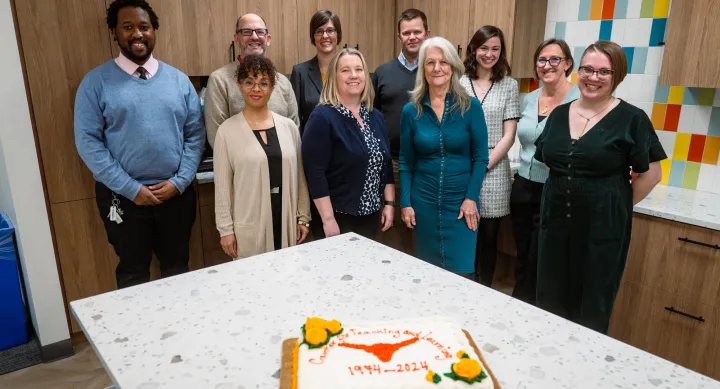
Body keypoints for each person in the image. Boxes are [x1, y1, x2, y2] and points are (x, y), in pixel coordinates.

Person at [534, 40, 665, 334]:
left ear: (617, 75)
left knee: (591, 305)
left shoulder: (632, 119)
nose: (594, 77)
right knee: (550, 301)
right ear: (577, 70)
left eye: (604, 72)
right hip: (554, 225)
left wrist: (614, 205)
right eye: (588, 69)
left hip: (602, 230)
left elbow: (651, 174)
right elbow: (551, 162)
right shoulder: (558, 114)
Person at [74, 0, 205, 288]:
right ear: (114, 32)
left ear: (154, 30)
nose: (137, 34)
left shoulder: (179, 81)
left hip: (176, 195)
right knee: (133, 274)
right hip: (122, 199)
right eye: (128, 27)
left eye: (144, 27)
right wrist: (132, 189)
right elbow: (88, 142)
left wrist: (180, 181)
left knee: (178, 269)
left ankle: (182, 331)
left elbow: (195, 135)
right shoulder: (95, 83)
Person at [399, 37, 489, 279]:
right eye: (430, 63)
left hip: (461, 206)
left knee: (462, 274)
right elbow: (406, 162)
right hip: (423, 203)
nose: (437, 68)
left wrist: (471, 199)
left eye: (443, 62)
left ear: (453, 67)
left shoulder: (470, 107)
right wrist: (406, 203)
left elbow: (481, 158)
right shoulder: (411, 111)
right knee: (428, 276)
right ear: (422, 69)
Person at [214, 55, 310, 259]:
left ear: (272, 88)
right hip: (248, 222)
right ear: (240, 85)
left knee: (287, 275)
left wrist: (303, 218)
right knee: (252, 282)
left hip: (285, 217)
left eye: (263, 83)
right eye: (249, 82)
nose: (256, 89)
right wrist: (226, 230)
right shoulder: (226, 131)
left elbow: (300, 177)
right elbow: (222, 188)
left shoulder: (289, 127)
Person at [511, 39, 579, 305]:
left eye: (555, 59)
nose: (547, 65)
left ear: (567, 64)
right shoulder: (530, 98)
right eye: (542, 60)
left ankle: (531, 308)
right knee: (522, 251)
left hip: (555, 189)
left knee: (541, 256)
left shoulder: (578, 100)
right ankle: (517, 304)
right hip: (523, 186)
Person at [302, 48, 394, 240]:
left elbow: (385, 164)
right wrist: (328, 220)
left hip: (371, 217)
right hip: (337, 217)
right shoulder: (322, 117)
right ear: (334, 76)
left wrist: (389, 204)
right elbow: (315, 173)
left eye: (359, 69)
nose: (354, 75)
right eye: (345, 70)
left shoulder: (375, 116)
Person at [459, 26, 520, 286]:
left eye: (495, 49)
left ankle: (485, 291)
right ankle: (465, 285)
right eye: (484, 48)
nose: (489, 54)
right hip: (462, 166)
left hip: (493, 172)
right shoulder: (459, 83)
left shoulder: (509, 85)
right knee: (465, 234)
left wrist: (483, 165)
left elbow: (509, 135)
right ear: (473, 49)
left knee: (489, 239)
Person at [372, 8, 430, 254]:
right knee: (393, 228)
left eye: (417, 31)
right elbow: (372, 116)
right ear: (399, 36)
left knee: (423, 225)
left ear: (427, 33)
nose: (412, 37)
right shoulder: (382, 72)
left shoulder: (435, 70)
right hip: (392, 163)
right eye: (407, 33)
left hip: (427, 163)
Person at [204, 13, 299, 148]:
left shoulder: (283, 82)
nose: (254, 37)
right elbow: (217, 138)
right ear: (237, 38)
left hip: (281, 165)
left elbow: (294, 131)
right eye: (246, 32)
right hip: (240, 167)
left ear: (268, 38)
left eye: (260, 32)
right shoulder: (219, 80)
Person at [291, 9, 342, 135]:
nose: (325, 36)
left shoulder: (349, 71)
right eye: (319, 31)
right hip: (313, 145)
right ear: (313, 36)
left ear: (338, 34)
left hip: (346, 147)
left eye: (330, 30)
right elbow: (295, 120)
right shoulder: (300, 72)